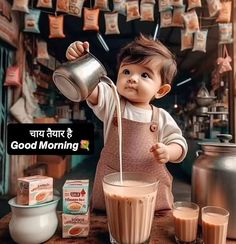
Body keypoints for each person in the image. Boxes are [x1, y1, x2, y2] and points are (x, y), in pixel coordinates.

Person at [66, 34, 188, 211]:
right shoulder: (112, 102)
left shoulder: (161, 117)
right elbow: (90, 88)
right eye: (126, 71)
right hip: (112, 191)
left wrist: (169, 151)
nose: (132, 78)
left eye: (145, 75)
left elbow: (180, 144)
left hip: (149, 197)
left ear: (161, 90)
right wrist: (79, 62)